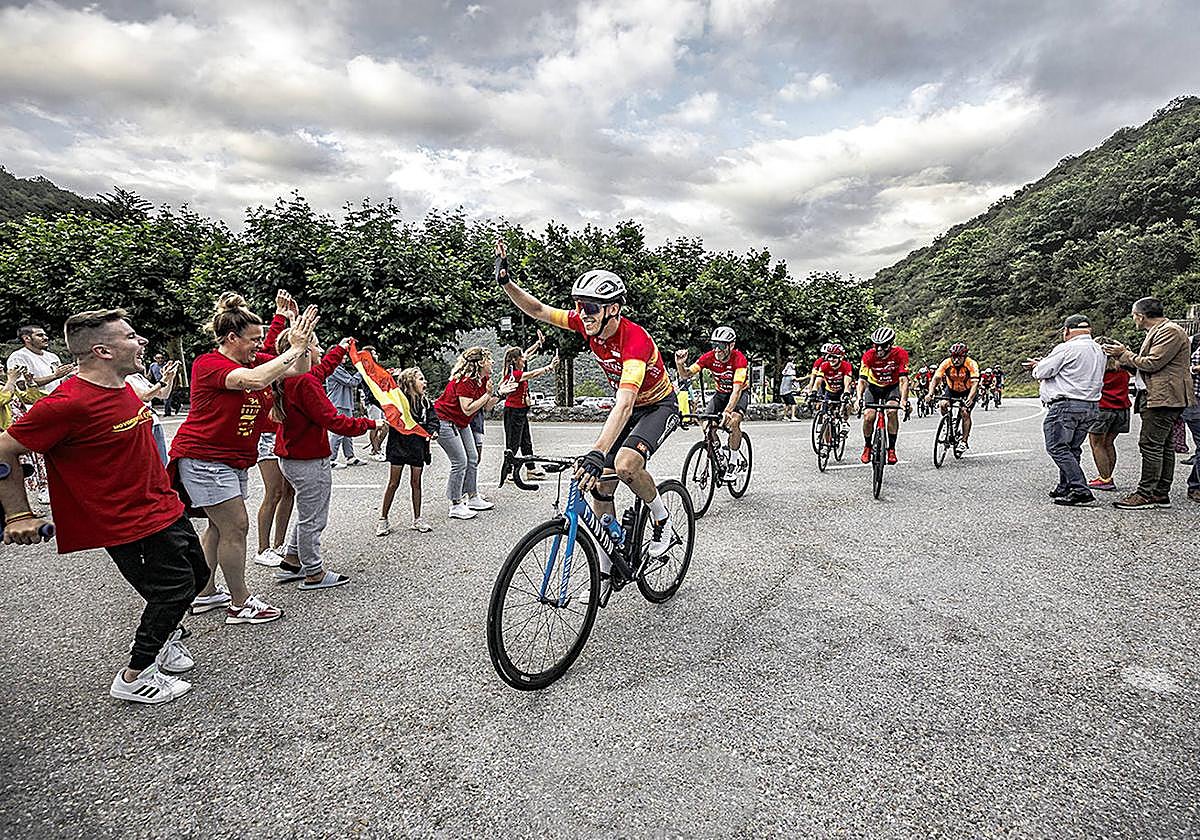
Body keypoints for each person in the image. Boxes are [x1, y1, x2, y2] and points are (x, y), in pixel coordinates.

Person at [1, 309, 205, 704]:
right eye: (130, 336)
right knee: (172, 589)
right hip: (126, 520)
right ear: (102, 350)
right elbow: (5, 447)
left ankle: (165, 639)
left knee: (195, 576)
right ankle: (135, 674)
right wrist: (19, 514)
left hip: (162, 505)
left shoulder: (123, 386)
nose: (141, 341)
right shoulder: (67, 403)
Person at [496, 240, 681, 560]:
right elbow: (539, 311)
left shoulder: (634, 340)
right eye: (579, 305)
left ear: (613, 309)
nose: (583, 313)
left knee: (624, 467)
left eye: (591, 307)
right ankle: (610, 564)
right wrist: (506, 282)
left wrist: (598, 451)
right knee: (600, 488)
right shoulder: (586, 322)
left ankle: (662, 520)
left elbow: (624, 403)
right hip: (630, 407)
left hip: (657, 406)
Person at [169, 292, 317, 624]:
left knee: (219, 528)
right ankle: (240, 603)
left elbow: (300, 370)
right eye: (253, 340)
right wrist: (291, 348)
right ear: (232, 338)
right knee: (236, 526)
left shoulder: (252, 360)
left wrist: (302, 342)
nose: (257, 345)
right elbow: (254, 381)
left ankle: (205, 594)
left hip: (232, 459)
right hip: (204, 457)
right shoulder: (210, 364)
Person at [270, 331, 377, 589]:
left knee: (307, 513)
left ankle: (292, 561)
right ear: (303, 351)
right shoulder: (305, 382)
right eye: (316, 346)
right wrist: (372, 423)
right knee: (315, 517)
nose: (319, 351)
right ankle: (313, 572)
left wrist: (339, 350)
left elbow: (324, 369)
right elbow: (333, 420)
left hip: (292, 457)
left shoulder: (292, 376)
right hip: (307, 459)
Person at [1102, 297, 1196, 509]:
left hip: (1164, 396)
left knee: (1151, 444)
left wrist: (1124, 354)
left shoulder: (1169, 331)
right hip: (1160, 394)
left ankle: (1146, 493)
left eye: (1134, 315)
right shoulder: (1161, 331)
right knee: (1163, 445)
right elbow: (1148, 366)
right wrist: (1125, 360)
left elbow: (1153, 363)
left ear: (1140, 315)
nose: (1133, 318)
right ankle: (1160, 493)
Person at [1025, 314, 1106, 506]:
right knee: (1072, 448)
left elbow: (1042, 372)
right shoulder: (1099, 349)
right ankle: (1066, 485)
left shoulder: (1067, 347)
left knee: (1057, 447)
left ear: (1067, 330)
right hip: (1090, 405)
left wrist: (1038, 365)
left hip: (1066, 405)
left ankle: (1080, 488)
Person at [434, 347, 514, 520]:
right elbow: (468, 408)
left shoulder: (483, 380)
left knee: (472, 458)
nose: (492, 362)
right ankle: (455, 504)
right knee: (460, 461)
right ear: (480, 363)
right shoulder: (465, 381)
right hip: (444, 421)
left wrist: (500, 394)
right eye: (489, 359)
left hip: (461, 422)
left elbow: (486, 406)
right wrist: (487, 395)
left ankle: (473, 497)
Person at [676, 326, 751, 474]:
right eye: (714, 345)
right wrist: (680, 364)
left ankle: (734, 461)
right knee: (706, 425)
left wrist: (728, 411)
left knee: (734, 421)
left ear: (731, 345)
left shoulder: (739, 359)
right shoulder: (709, 357)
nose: (717, 350)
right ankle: (720, 455)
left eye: (721, 345)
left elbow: (736, 391)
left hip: (739, 394)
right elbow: (686, 374)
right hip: (720, 394)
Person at [377, 367, 439, 536]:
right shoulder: (398, 401)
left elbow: (433, 420)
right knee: (393, 483)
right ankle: (383, 519)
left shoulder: (425, 403)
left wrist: (433, 431)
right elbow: (382, 399)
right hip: (398, 446)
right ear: (410, 382)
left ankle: (417, 519)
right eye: (421, 379)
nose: (424, 382)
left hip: (417, 447)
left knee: (416, 483)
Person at [499, 332, 556, 484]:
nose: (524, 360)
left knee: (526, 441)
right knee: (513, 443)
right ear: (515, 361)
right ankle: (509, 471)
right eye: (521, 358)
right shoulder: (515, 374)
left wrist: (538, 343)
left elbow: (527, 353)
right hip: (513, 411)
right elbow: (532, 374)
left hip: (521, 410)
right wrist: (549, 367)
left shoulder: (517, 366)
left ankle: (530, 469)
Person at [855, 326, 910, 465]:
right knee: (868, 416)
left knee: (892, 411)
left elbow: (904, 380)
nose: (879, 349)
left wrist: (903, 400)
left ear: (890, 345)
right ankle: (867, 446)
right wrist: (858, 398)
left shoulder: (900, 354)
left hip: (892, 387)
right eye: (876, 345)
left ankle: (891, 449)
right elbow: (862, 380)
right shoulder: (868, 355)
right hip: (874, 388)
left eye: (883, 346)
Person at [1085, 339, 1132, 492]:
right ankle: (1107, 475)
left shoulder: (1098, 370)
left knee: (1097, 444)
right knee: (1109, 443)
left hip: (1102, 408)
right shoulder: (1123, 369)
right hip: (1122, 408)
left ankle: (1104, 478)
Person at [126, 360, 181, 464]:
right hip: (141, 423)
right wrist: (164, 379)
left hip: (154, 421)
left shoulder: (139, 377)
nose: (141, 360)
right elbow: (145, 396)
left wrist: (170, 378)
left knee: (161, 461)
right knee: (147, 462)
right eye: (138, 357)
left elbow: (163, 394)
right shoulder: (126, 378)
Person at [929, 343, 980, 455]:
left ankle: (964, 442)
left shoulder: (971, 363)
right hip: (952, 389)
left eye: (959, 357)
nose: (956, 359)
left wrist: (970, 398)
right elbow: (935, 378)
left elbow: (975, 383)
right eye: (953, 356)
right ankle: (947, 424)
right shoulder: (946, 363)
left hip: (968, 390)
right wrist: (930, 393)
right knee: (943, 404)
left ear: (965, 356)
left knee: (965, 412)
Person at [6, 324, 77, 393]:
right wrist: (54, 376)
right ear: (26, 338)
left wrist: (71, 373)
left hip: (56, 400)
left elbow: (59, 381)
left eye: (45, 335)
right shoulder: (18, 357)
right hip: (34, 403)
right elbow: (21, 385)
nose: (46, 338)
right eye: (40, 335)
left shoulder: (52, 356)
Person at [324, 356, 364, 468]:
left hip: (344, 403)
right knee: (339, 432)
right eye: (342, 355)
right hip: (339, 403)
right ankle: (331, 459)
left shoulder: (339, 368)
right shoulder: (335, 369)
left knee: (348, 430)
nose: (345, 357)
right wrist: (361, 371)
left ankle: (350, 456)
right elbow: (352, 382)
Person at [359, 346, 388, 462]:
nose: (377, 355)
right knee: (375, 426)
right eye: (374, 353)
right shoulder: (365, 369)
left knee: (386, 427)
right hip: (372, 401)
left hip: (381, 401)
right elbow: (369, 388)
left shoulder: (376, 368)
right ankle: (376, 450)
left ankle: (376, 447)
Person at [1181, 333, 1200, 503]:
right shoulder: (1192, 343)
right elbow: (1181, 368)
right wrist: (1195, 369)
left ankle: (1195, 485)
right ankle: (1196, 487)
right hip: (1195, 401)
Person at [813, 343, 853, 420]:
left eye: (834, 357)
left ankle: (845, 421)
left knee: (847, 405)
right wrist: (814, 391)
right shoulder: (824, 365)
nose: (831, 359)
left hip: (842, 391)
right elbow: (818, 380)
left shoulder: (846, 366)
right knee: (825, 415)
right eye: (829, 356)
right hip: (829, 391)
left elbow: (847, 383)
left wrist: (846, 393)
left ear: (841, 358)